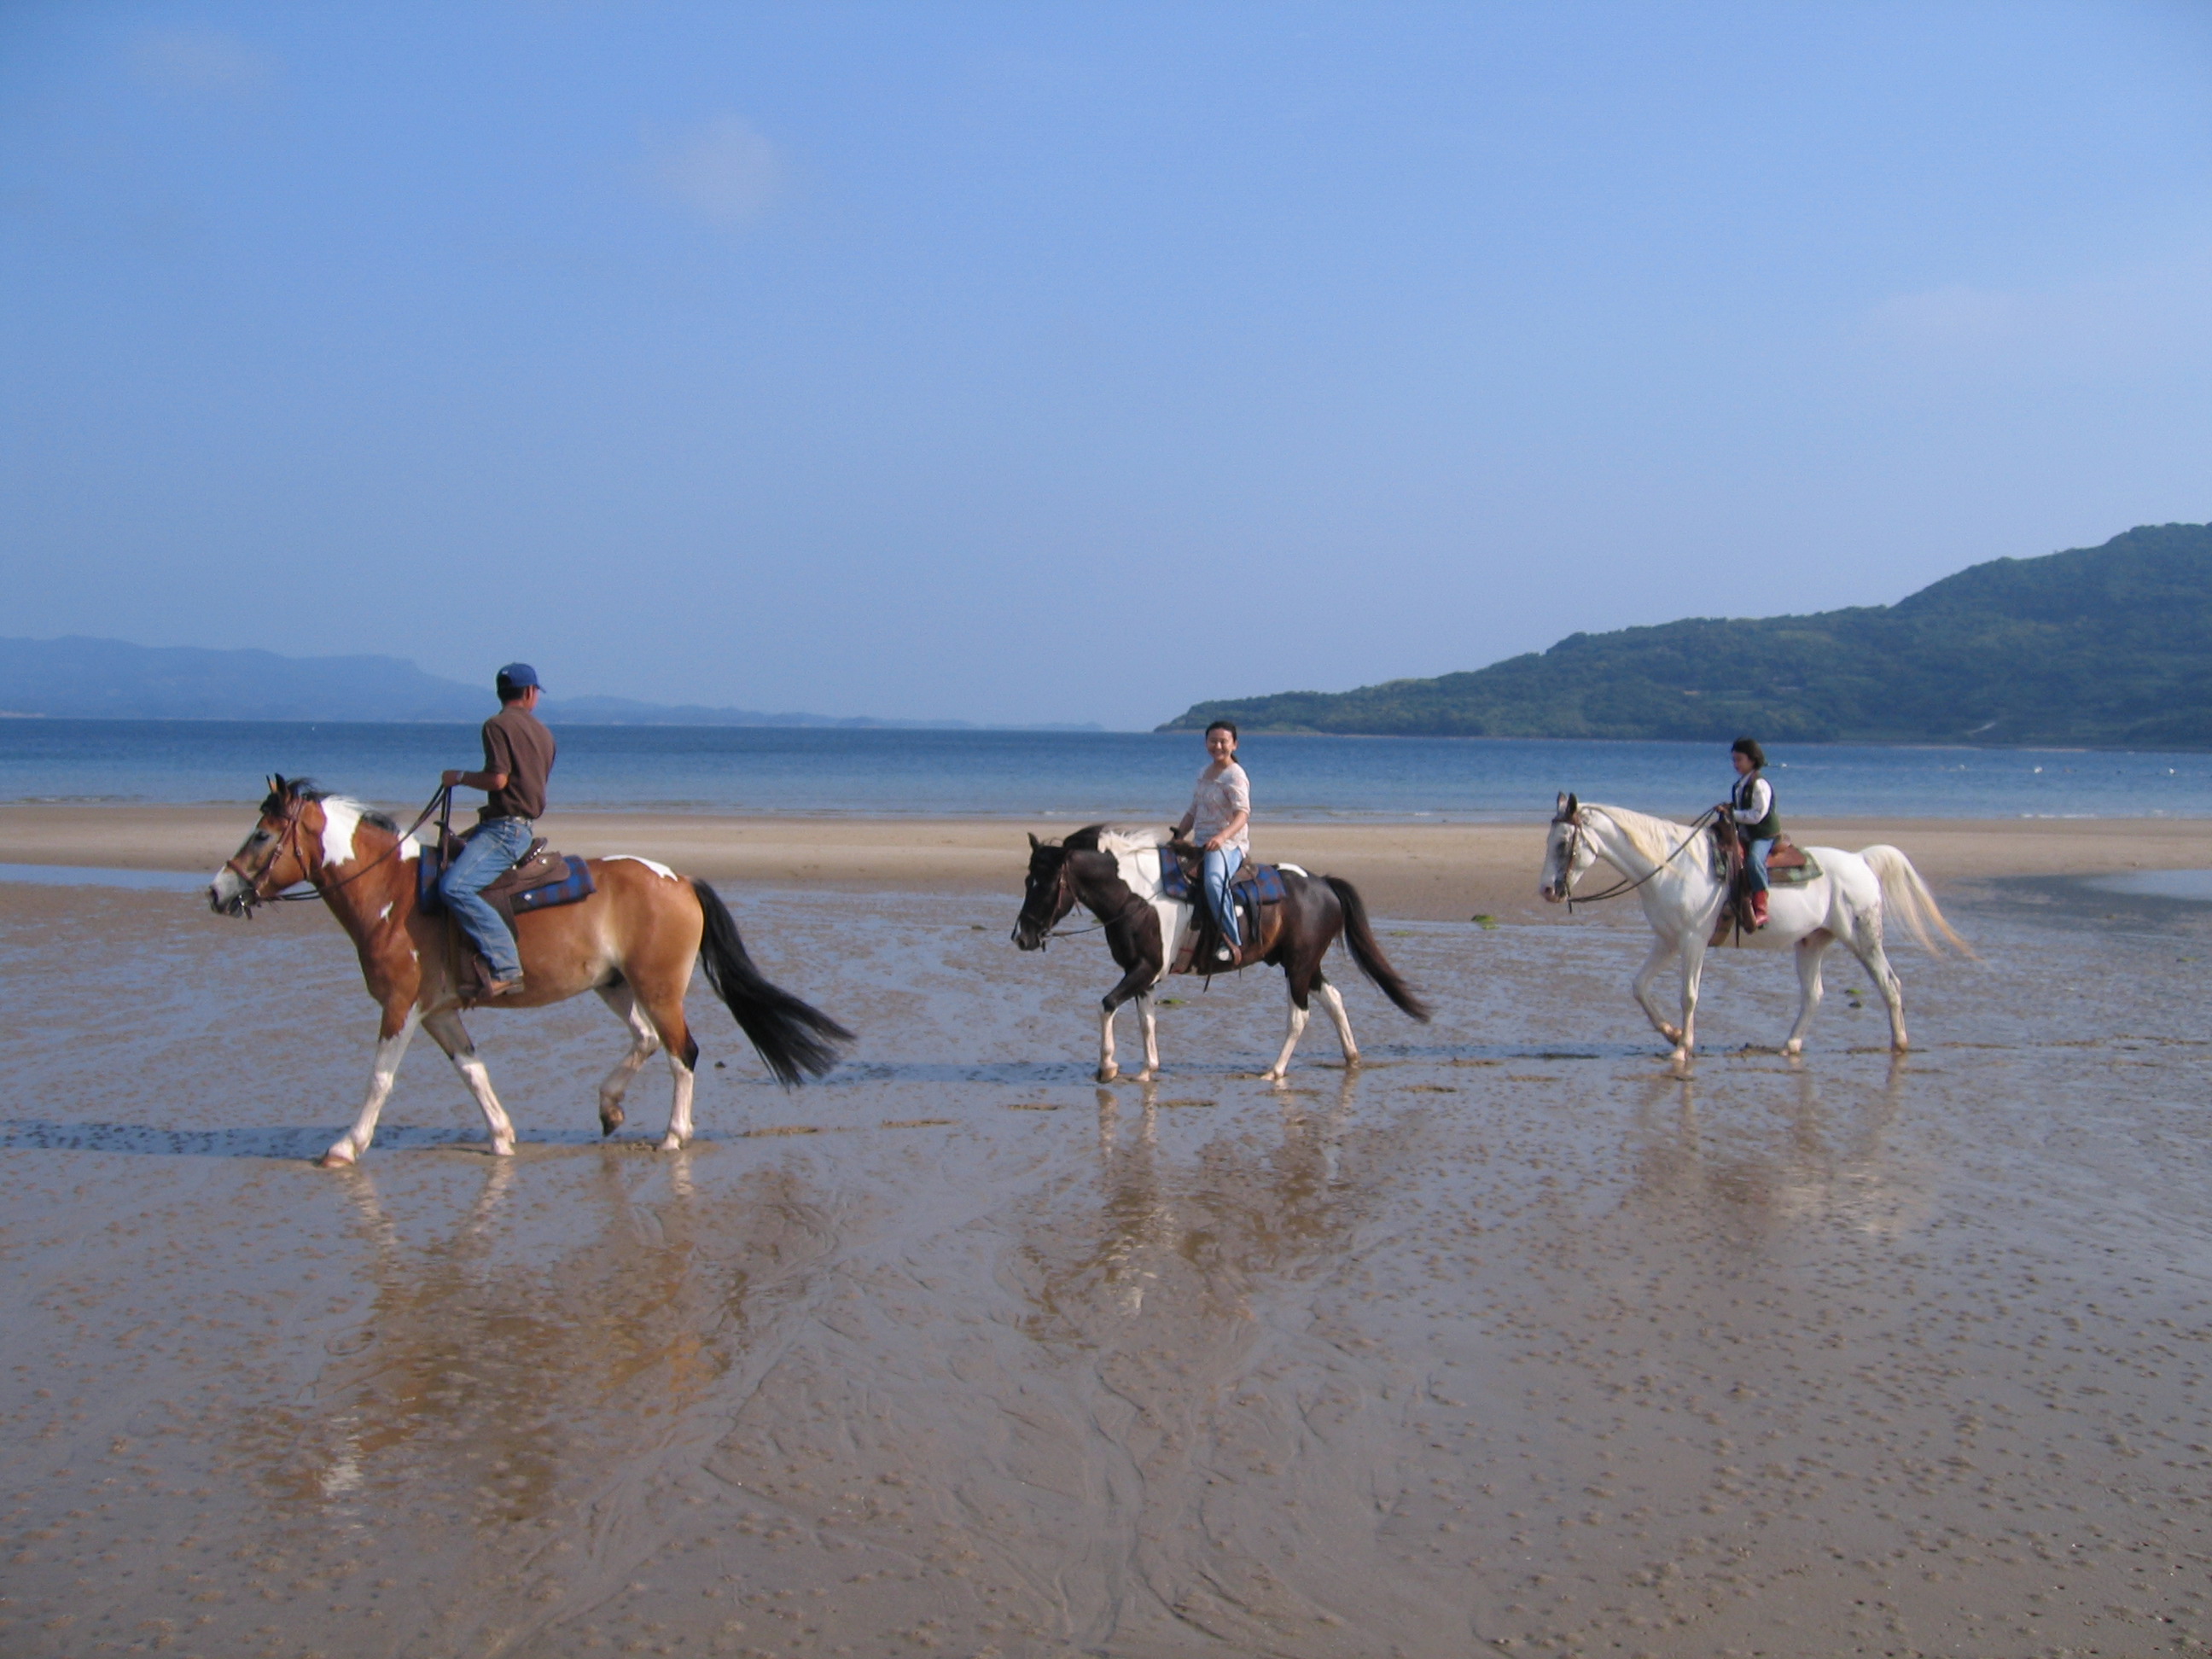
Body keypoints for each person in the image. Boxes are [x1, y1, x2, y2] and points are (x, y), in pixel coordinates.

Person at [438, 662, 556, 996]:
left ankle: (505, 965)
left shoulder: (496, 725)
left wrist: (458, 777)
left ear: (501, 693)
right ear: (531, 693)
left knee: (454, 888)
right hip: (519, 824)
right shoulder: (544, 734)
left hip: (504, 830)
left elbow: (499, 779)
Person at [1174, 719, 1251, 964]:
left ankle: (1231, 940)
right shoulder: (1203, 773)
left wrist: (1222, 837)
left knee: (1214, 883)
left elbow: (1243, 814)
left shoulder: (1235, 775)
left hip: (1228, 845)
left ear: (1234, 745)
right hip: (1200, 843)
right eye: (1212, 741)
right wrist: (1178, 835)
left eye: (1223, 741)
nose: (1217, 745)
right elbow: (1193, 810)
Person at [1724, 736, 1779, 929]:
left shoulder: (1760, 784)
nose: (1735, 764)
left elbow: (1757, 815)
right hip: (1746, 834)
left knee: (1754, 861)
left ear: (1752, 760)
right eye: (1734, 760)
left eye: (1739, 759)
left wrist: (1732, 814)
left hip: (1763, 835)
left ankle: (1761, 908)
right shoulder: (1740, 785)